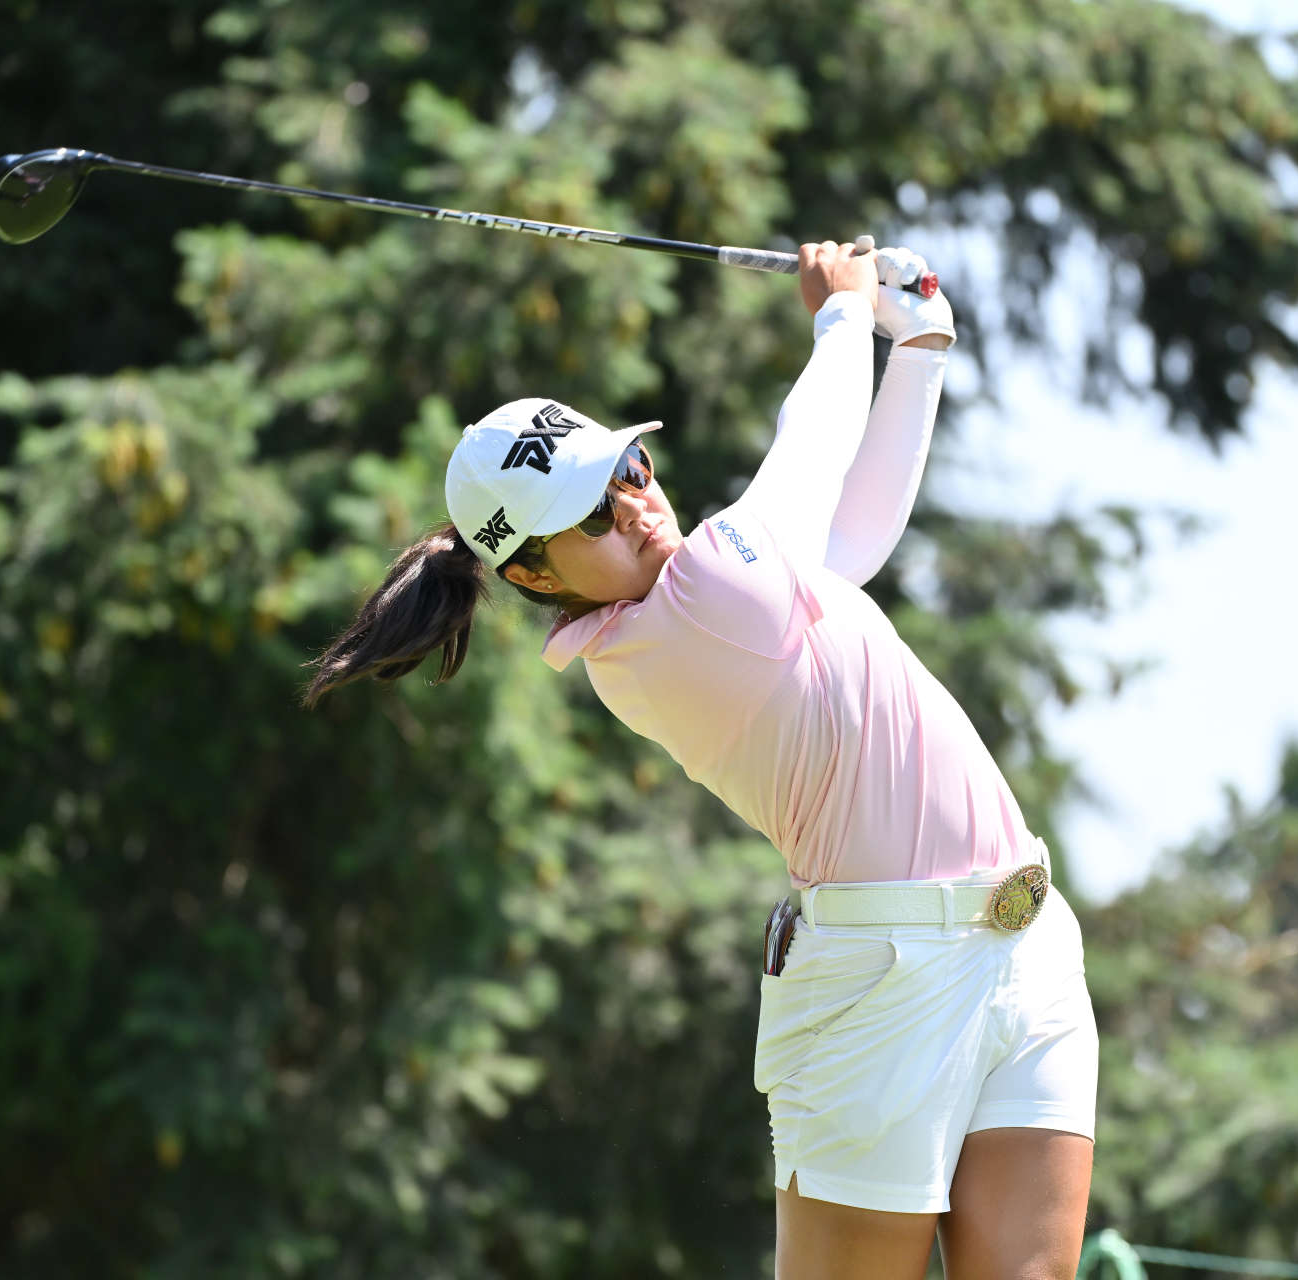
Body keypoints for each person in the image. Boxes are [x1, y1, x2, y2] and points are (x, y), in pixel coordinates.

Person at [304, 239, 1097, 1280]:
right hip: (880, 988)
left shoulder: (726, 583)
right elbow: (809, 452)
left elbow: (849, 536)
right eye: (593, 514)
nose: (638, 504)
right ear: (537, 572)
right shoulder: (679, 619)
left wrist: (920, 347)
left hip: (1025, 944)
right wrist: (843, 315)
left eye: (626, 469)